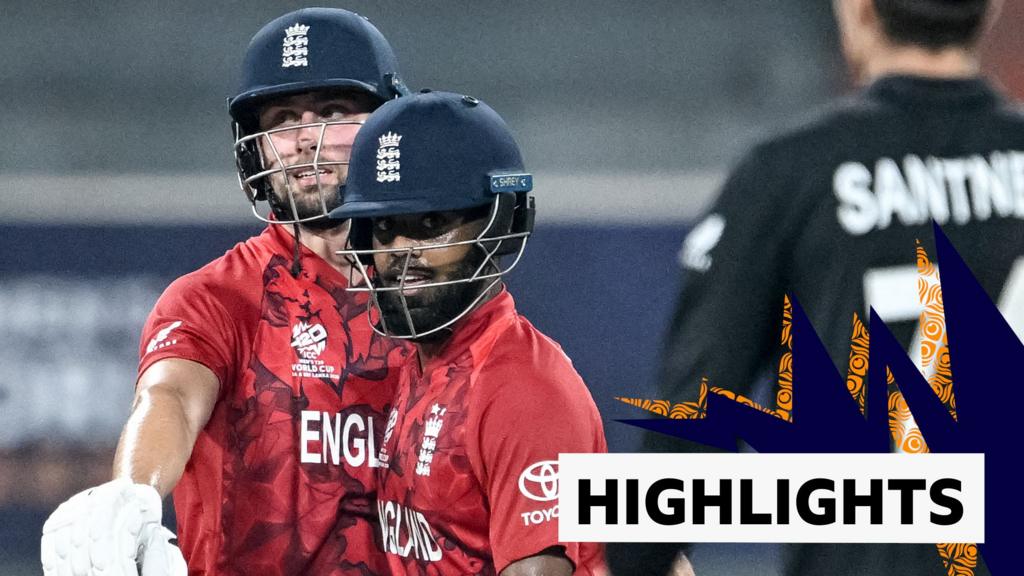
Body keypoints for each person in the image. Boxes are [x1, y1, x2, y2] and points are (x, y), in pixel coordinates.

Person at [617, 0, 1020, 575]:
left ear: (857, 9)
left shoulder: (791, 172)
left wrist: (640, 557)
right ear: (991, 8)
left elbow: (695, 414)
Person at [40, 8, 411, 575]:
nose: (303, 139)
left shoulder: (438, 294)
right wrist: (133, 495)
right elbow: (170, 397)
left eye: (333, 112)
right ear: (254, 147)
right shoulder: (215, 298)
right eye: (282, 119)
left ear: (388, 128)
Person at [332, 90, 608, 575]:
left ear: (498, 224)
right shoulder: (422, 366)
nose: (402, 249)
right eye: (385, 226)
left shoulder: (521, 390)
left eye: (432, 222)